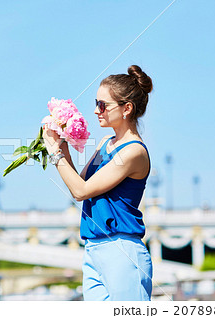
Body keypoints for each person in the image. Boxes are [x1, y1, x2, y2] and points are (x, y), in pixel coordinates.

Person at [42, 65, 153, 301]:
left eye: (103, 105)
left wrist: (54, 153)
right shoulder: (105, 143)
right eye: (96, 103)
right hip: (93, 248)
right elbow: (80, 184)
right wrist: (62, 146)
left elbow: (81, 191)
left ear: (127, 108)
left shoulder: (133, 152)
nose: (95, 111)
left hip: (121, 249)